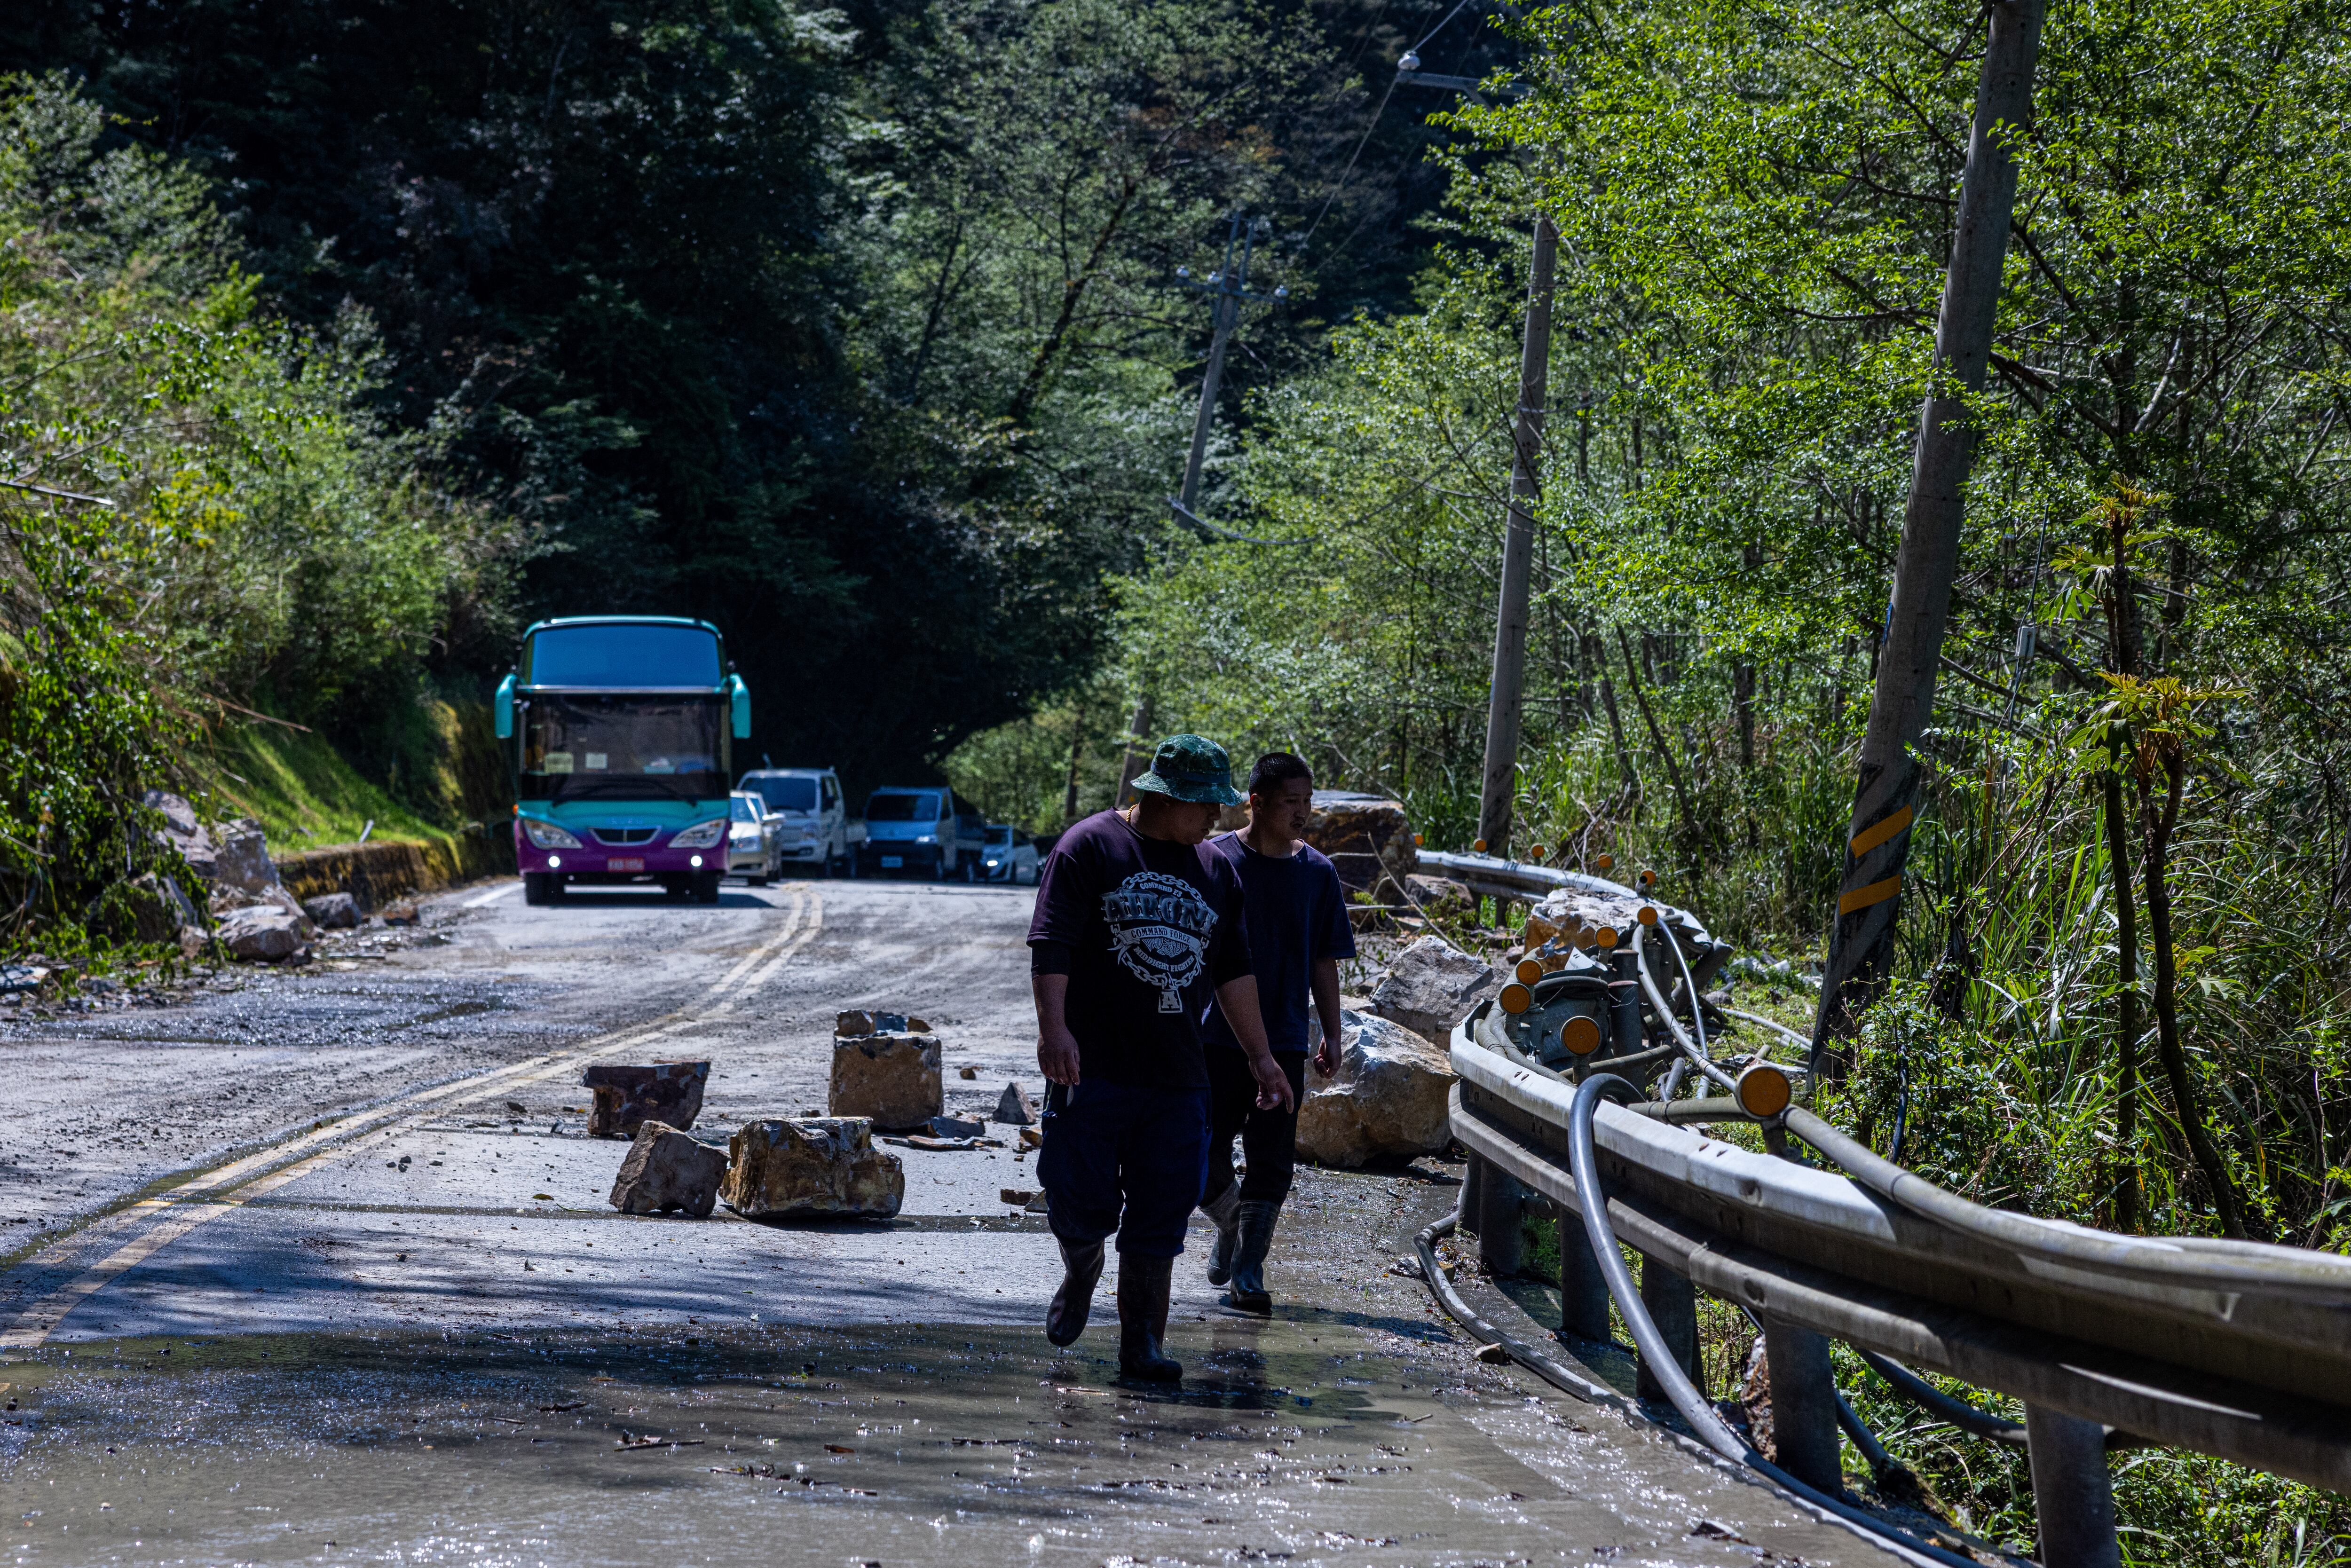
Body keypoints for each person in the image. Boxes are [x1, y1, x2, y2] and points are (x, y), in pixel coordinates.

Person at [1027, 734, 1293, 1381]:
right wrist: (1053, 1030)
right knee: (1078, 1198)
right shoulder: (1090, 846)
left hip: (1177, 1076)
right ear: (1163, 796)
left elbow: (1235, 970)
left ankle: (1142, 1342)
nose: (1217, 818)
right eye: (1205, 805)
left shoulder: (1216, 869)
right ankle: (1081, 1269)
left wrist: (1261, 1055)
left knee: (1162, 1209)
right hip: (1091, 1068)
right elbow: (1051, 943)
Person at [1198, 753, 1355, 1312]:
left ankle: (1249, 1266)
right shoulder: (1213, 860)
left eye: (1307, 802)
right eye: (1291, 802)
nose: (1302, 813)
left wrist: (1332, 1033)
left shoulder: (1316, 873)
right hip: (1212, 1037)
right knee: (1196, 1148)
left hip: (1284, 1037)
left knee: (1271, 1158)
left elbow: (1324, 960)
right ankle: (1229, 1222)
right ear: (1255, 802)